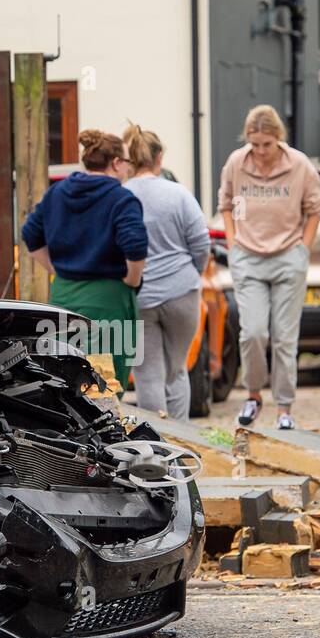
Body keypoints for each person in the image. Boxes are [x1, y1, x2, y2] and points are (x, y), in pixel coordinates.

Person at [217, 105, 320, 429]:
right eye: (255, 144)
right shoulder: (237, 162)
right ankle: (253, 395)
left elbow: (315, 209)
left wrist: (303, 249)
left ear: (279, 138)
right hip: (248, 256)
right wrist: (233, 245)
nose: (261, 151)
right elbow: (224, 204)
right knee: (252, 333)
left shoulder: (300, 165)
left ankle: (284, 408)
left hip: (288, 256)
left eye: (267, 144)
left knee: (284, 338)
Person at [21, 129, 147, 388]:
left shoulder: (57, 193)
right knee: (105, 386)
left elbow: (30, 234)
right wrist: (133, 280)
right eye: (127, 164)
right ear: (116, 163)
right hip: (108, 300)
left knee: (62, 380)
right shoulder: (121, 198)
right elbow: (135, 246)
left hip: (63, 298)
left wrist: (54, 268)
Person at [122, 123, 210, 419]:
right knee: (177, 371)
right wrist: (192, 274)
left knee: (147, 375)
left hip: (138, 297)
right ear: (160, 157)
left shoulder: (121, 195)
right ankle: (182, 448)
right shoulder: (179, 194)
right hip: (181, 293)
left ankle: (155, 452)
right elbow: (201, 244)